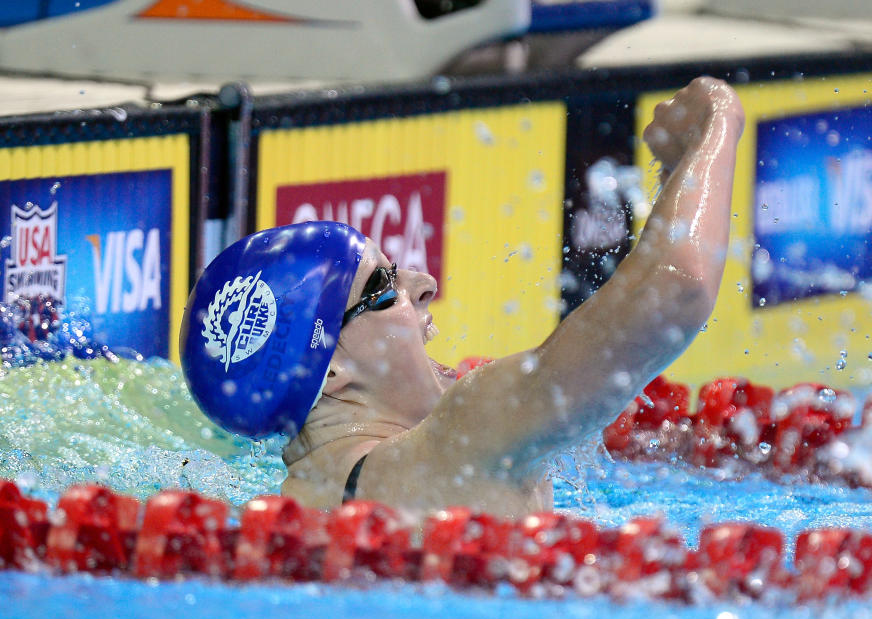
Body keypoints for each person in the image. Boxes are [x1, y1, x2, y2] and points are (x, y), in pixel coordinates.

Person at [180, 77, 744, 518]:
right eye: (383, 287)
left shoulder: (300, 501)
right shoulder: (464, 440)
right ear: (329, 372)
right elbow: (675, 290)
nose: (423, 283)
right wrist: (715, 122)